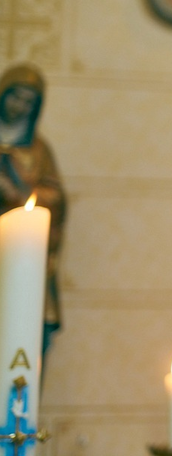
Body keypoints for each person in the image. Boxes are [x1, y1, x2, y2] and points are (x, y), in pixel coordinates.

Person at [0, 63, 67, 359]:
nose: (20, 106)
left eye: (29, 102)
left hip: (20, 260)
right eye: (16, 97)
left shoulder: (38, 151)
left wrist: (21, 195)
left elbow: (55, 197)